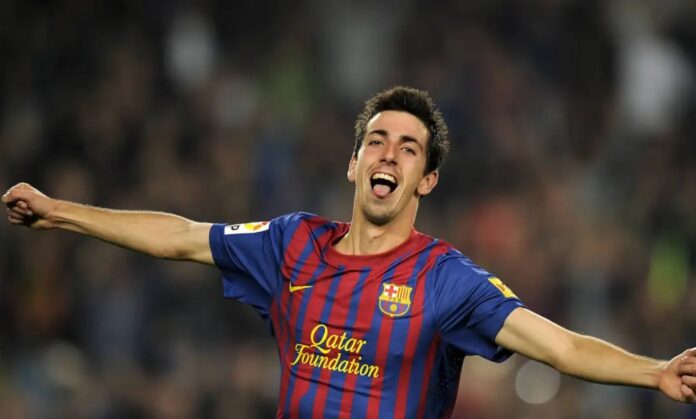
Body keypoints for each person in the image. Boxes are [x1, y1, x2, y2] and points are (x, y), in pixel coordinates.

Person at [3, 86, 696, 418]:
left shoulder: (445, 279)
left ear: (426, 179)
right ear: (354, 162)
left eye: (409, 148)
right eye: (377, 141)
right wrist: (60, 212)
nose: (388, 154)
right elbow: (181, 236)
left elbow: (562, 347)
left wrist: (656, 371)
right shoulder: (292, 243)